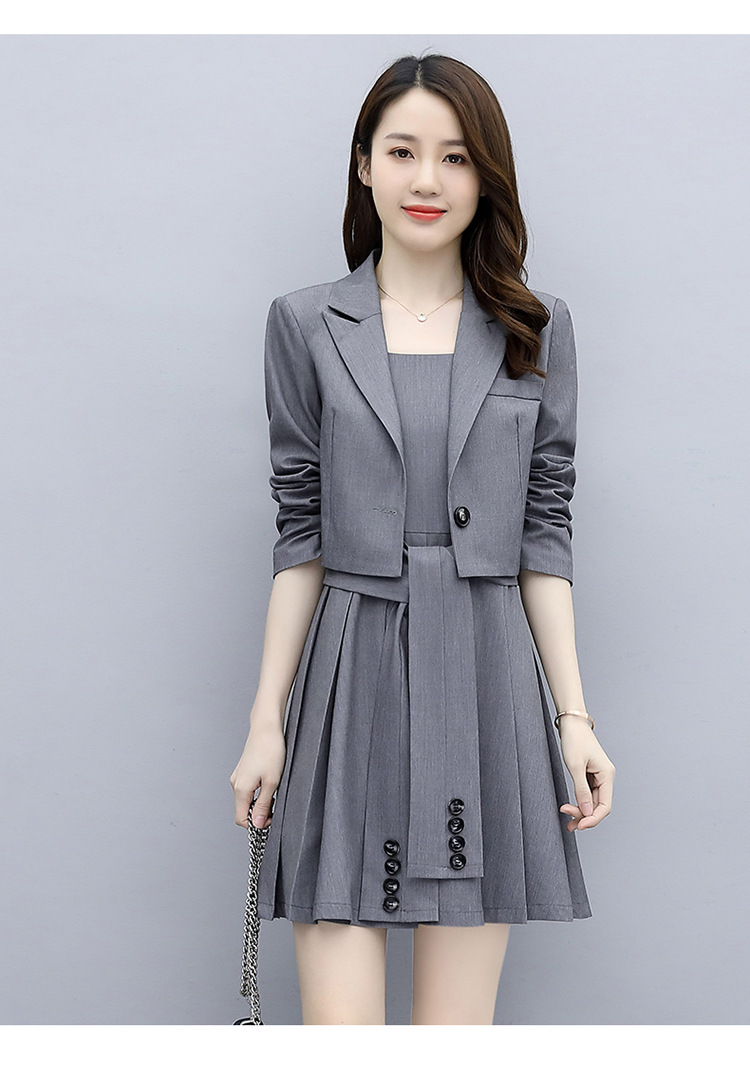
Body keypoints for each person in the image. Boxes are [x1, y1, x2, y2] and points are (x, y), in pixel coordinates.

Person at [229, 53, 616, 1026]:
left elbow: (544, 530)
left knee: (454, 1035)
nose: (427, 180)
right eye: (402, 152)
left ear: (485, 177)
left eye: (455, 156)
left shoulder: (535, 328)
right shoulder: (305, 325)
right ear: (364, 165)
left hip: (483, 677)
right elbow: (301, 532)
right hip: (350, 671)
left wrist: (573, 717)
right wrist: (267, 722)